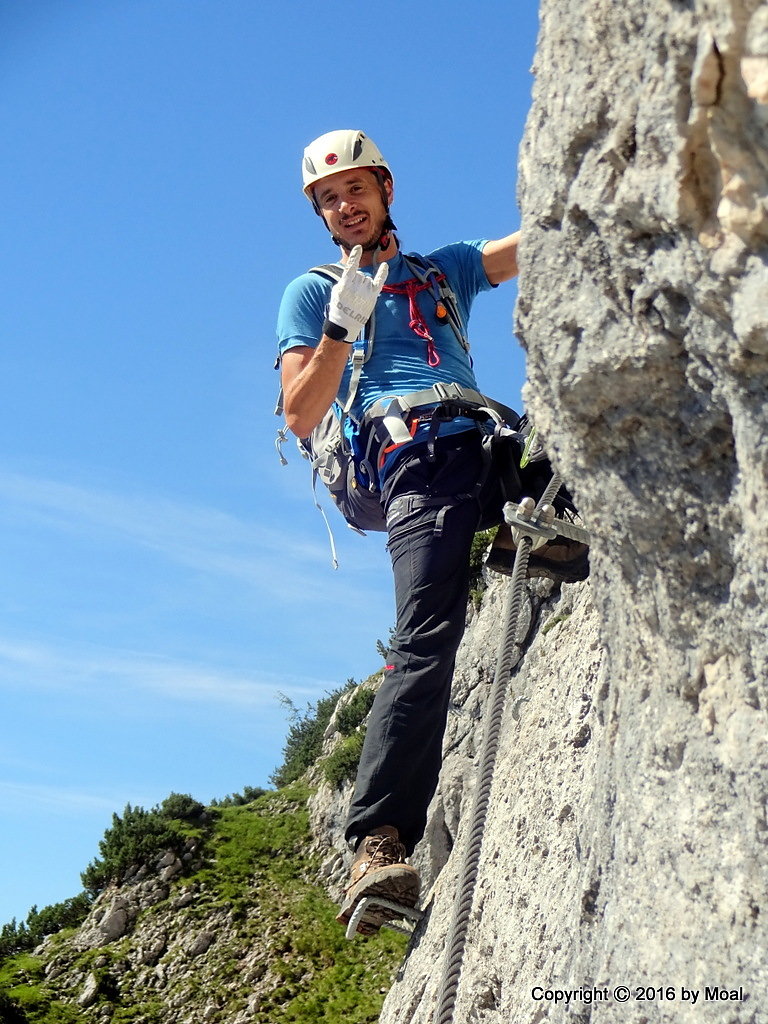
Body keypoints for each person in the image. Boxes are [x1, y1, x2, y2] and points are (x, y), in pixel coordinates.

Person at [276, 130, 588, 934]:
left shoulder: (439, 270)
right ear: (323, 216)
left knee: (587, 442)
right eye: (329, 200)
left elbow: (533, 245)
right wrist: (343, 327)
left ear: (384, 190)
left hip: (487, 442)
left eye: (355, 191)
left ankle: (527, 540)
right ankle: (376, 843)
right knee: (426, 641)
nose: (345, 207)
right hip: (415, 462)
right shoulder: (311, 293)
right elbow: (300, 412)